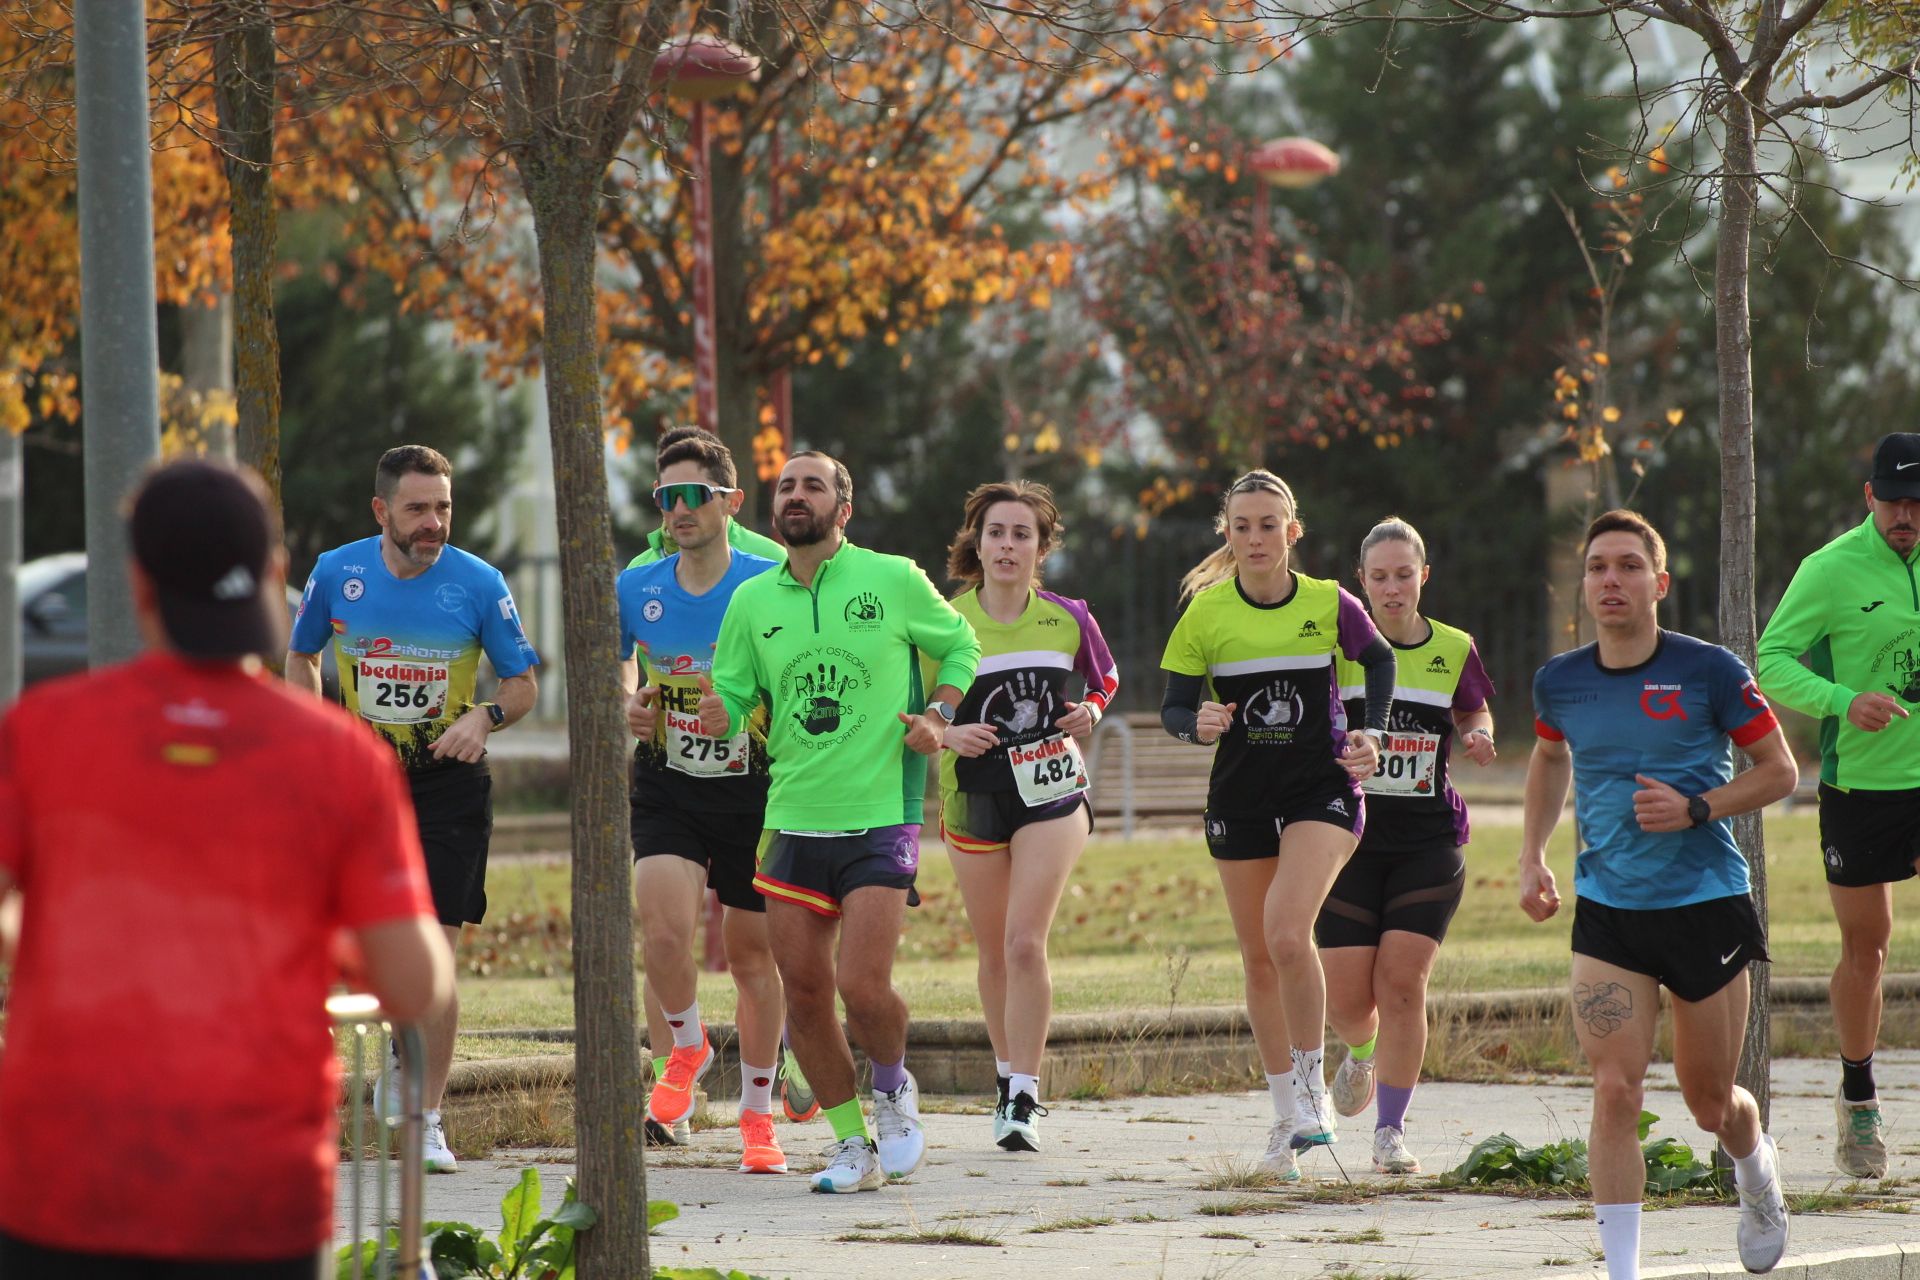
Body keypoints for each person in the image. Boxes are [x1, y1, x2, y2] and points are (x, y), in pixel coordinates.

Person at [0, 459, 451, 1278]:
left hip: (62, 1186)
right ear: (276, 577)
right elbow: (416, 987)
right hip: (257, 1202)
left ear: (137, 586)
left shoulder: (42, 733)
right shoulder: (342, 761)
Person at [1520, 509, 1797, 1279]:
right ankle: (1621, 1272)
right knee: (1614, 1089)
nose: (1612, 579)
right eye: (1599, 566)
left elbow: (1780, 771)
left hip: (1704, 902)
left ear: (1659, 583)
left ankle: (1756, 1173)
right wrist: (1531, 855)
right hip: (1607, 911)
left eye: (1629, 566)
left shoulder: (1711, 670)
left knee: (1711, 1104)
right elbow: (1548, 760)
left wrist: (1697, 808)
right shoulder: (1560, 680)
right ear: (1584, 584)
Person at [696, 451, 981, 1194]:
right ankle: (851, 1144)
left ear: (842, 510)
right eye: (786, 486)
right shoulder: (752, 602)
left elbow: (959, 645)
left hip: (879, 814)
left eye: (812, 485)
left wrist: (940, 715)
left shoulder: (892, 578)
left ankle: (892, 1091)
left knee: (861, 984)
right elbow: (732, 687)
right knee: (806, 991)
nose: (795, 495)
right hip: (790, 818)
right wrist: (719, 707)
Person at [287, 444, 539, 1174]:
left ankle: (426, 1117)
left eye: (443, 509)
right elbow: (301, 656)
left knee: (435, 954)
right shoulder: (337, 573)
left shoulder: (479, 584)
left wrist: (485, 717)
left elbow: (522, 682)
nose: (433, 524)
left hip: (448, 784)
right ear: (381, 512)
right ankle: (399, 1052)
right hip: (359, 785)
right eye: (417, 509)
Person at [1158, 469, 1393, 1180]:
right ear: (1227, 535)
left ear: (1293, 532)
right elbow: (1174, 705)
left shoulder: (1328, 602)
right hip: (1240, 798)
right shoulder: (1205, 612)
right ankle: (1286, 1117)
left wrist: (1372, 733)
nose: (1255, 537)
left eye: (1269, 525)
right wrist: (1195, 723)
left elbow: (1379, 659)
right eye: (1242, 526)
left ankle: (1315, 1095)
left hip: (1323, 789)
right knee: (1260, 958)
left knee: (1288, 931)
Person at [626, 427, 816, 1133]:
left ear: (731, 502)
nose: (677, 509)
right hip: (669, 778)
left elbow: (802, 677)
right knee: (664, 932)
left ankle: (759, 1113)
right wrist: (629, 703)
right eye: (664, 497)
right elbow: (622, 661)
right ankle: (684, 1053)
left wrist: (742, 710)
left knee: (749, 955)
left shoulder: (767, 584)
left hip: (756, 786)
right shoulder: (634, 583)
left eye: (693, 496)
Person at [1755, 431, 1920, 1178]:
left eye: (1917, 504)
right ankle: (1858, 1101)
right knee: (1869, 946)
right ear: (1869, 498)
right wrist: (1844, 701)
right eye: (1892, 501)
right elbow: (1771, 660)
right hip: (1862, 789)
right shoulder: (1829, 569)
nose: (1904, 516)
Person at [936, 481, 1119, 1152]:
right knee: (992, 952)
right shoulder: (943, 623)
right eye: (995, 533)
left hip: (1051, 789)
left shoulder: (1069, 617)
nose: (1007, 545)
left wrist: (1091, 712)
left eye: (1021, 535)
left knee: (1023, 941)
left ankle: (1025, 1095)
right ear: (976, 544)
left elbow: (1104, 680)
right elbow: (914, 716)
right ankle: (1006, 1072)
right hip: (974, 795)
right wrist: (948, 735)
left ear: (1041, 549)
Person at [1318, 518, 1496, 1175]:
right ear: (1360, 582)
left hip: (1427, 842)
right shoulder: (1339, 649)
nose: (1392, 588)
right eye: (1379, 577)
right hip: (1346, 839)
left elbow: (1472, 709)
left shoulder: (1453, 646)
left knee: (1402, 986)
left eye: (1404, 575)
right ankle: (1361, 1052)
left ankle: (1389, 1131)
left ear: (1423, 577)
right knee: (1347, 1004)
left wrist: (1477, 735)